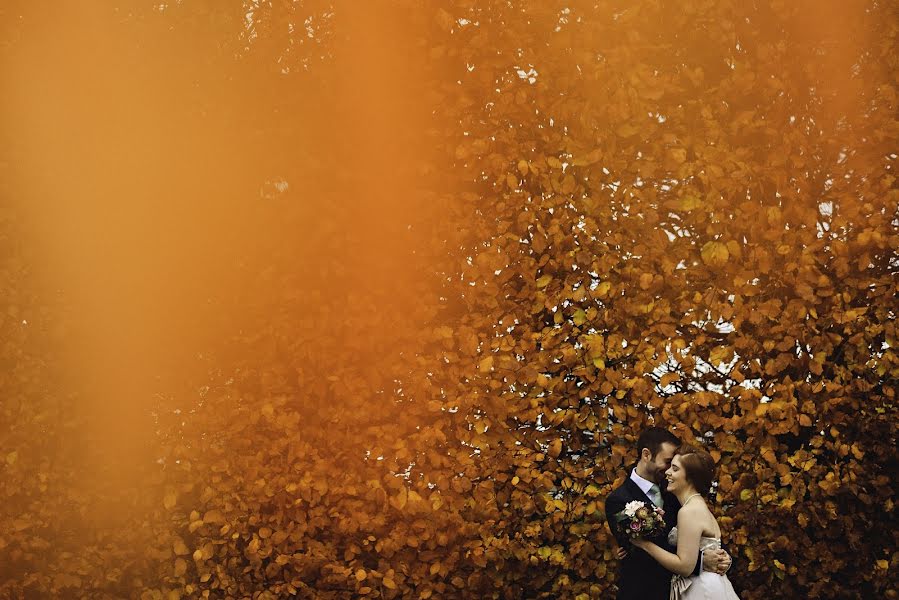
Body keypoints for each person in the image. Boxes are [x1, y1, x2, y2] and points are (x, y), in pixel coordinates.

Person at [605, 428, 731, 600]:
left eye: (673, 465)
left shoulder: (676, 489)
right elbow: (642, 551)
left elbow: (699, 530)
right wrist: (701, 561)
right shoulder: (618, 500)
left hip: (686, 589)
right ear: (647, 455)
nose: (667, 471)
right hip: (645, 592)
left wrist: (721, 555)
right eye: (667, 462)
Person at [631, 446, 740, 600]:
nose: (668, 472)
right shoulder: (696, 506)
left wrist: (644, 544)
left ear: (690, 477)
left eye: (675, 469)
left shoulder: (689, 511)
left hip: (702, 589)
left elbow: (685, 566)